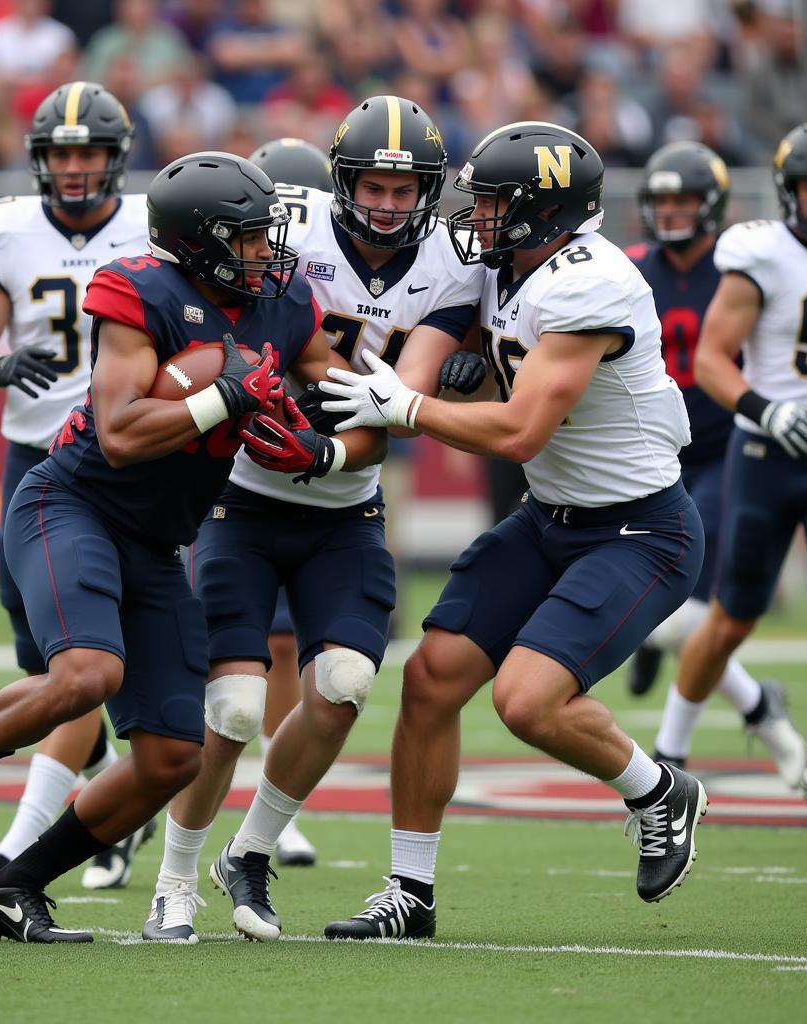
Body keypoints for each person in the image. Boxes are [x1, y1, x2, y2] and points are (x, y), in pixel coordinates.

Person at [0, 150, 339, 943]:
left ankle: (14, 886)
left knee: (171, 757)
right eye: (249, 239)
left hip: (158, 543)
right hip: (73, 504)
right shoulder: (135, 290)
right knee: (87, 673)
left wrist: (347, 415)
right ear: (200, 242)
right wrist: (227, 392)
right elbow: (120, 435)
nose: (267, 252)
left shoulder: (284, 298)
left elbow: (329, 381)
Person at [319, 121, 707, 940]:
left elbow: (522, 432)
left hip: (639, 529)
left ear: (546, 212)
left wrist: (416, 409)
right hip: (548, 518)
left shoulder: (589, 280)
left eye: (495, 204)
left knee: (527, 702)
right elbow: (461, 356)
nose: (479, 220)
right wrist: (445, 380)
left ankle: (658, 788)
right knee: (430, 681)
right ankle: (410, 894)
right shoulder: (506, 265)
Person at [142, 95, 485, 944]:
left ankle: (248, 853)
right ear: (339, 181)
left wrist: (336, 453)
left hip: (345, 505)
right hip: (245, 497)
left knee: (343, 686)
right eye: (375, 185)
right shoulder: (285, 228)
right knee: (231, 708)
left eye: (409, 192)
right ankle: (173, 881)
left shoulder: (453, 265)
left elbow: (404, 407)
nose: (391, 205)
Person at [0, 81, 152, 898]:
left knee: (76, 659)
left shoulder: (149, 226)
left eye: (88, 152)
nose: (73, 167)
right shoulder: (6, 230)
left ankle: (22, 849)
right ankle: (111, 792)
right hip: (33, 457)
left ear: (114, 158)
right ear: (41, 159)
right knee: (39, 663)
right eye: (61, 153)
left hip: (118, 461)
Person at [651, 121, 807, 821]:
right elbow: (711, 359)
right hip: (766, 454)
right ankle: (670, 754)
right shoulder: (760, 253)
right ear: (789, 189)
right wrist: (765, 410)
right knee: (728, 622)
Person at [624, 142, 806, 788]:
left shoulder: (740, 266)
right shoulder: (631, 267)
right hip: (647, 457)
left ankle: (695, 729)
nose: (671, 211)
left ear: (712, 206)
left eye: (684, 199)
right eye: (663, 199)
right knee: (671, 616)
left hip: (724, 451)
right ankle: (761, 706)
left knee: (688, 615)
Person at [246, 135, 334, 869]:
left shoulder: (341, 264)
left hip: (331, 452)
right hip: (239, 464)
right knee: (234, 661)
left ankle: (274, 801)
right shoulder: (244, 272)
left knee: (315, 657)